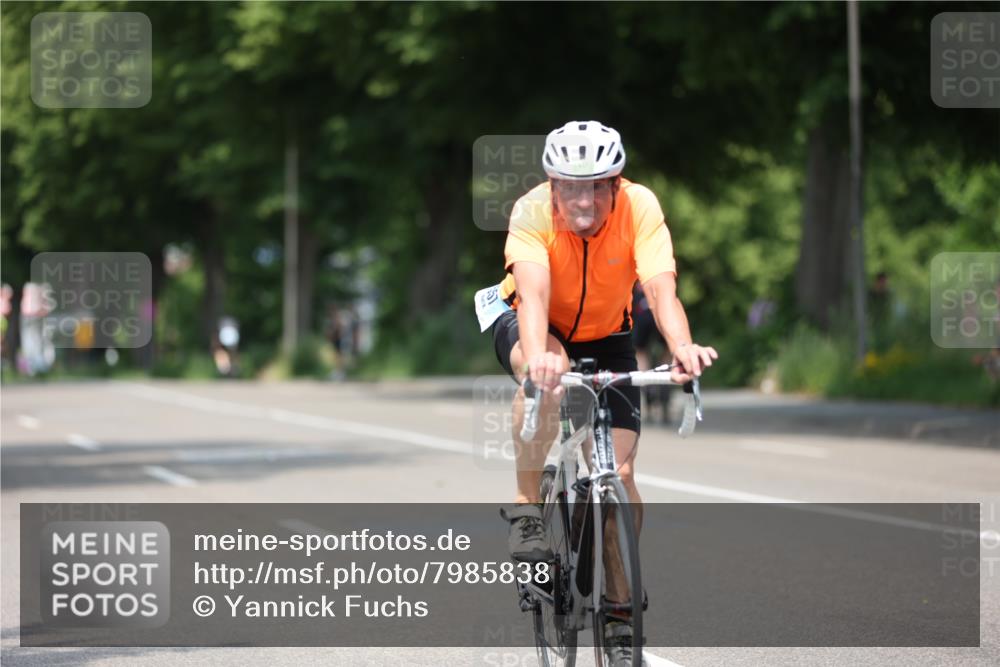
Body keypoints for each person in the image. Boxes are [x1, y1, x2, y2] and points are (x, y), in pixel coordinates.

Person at [478, 120, 717, 664]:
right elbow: (534, 297)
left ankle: (618, 607)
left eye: (596, 186)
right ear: (552, 185)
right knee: (550, 374)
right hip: (537, 325)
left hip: (610, 334)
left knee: (621, 475)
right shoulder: (532, 212)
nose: (582, 199)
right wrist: (540, 357)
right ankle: (526, 508)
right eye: (569, 186)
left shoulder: (641, 207)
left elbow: (660, 289)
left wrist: (681, 346)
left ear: (615, 183)